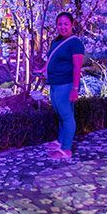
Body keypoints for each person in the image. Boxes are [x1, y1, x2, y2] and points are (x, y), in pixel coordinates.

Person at [41, 12, 85, 159]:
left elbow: (77, 67)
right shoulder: (56, 41)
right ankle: (61, 142)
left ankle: (66, 149)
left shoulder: (75, 43)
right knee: (60, 114)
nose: (62, 27)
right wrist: (43, 70)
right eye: (59, 24)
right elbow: (51, 59)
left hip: (66, 85)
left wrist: (75, 89)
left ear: (72, 25)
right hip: (55, 83)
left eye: (66, 24)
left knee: (66, 116)